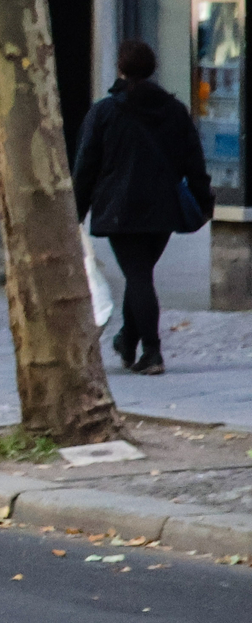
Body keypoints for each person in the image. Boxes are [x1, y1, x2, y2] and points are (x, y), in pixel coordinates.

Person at [72, 39, 213, 375]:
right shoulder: (174, 111)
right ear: (152, 69)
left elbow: (86, 164)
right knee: (141, 275)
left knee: (137, 275)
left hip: (120, 208)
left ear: (121, 69)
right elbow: (194, 160)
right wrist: (203, 201)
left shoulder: (105, 112)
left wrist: (75, 211)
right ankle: (127, 339)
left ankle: (151, 350)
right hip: (164, 208)